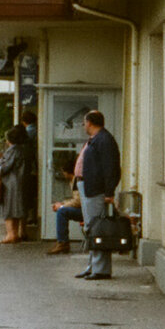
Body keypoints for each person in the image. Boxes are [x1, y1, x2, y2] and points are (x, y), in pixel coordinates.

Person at [77, 109, 122, 280]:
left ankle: (101, 269)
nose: (83, 126)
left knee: (97, 228)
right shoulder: (96, 139)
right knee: (91, 227)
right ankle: (93, 266)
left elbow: (111, 168)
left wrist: (109, 191)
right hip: (89, 187)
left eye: (84, 122)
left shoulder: (104, 140)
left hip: (96, 189)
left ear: (90, 122)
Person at [46, 142, 89, 255]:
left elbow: (78, 201)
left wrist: (62, 205)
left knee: (62, 212)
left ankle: (63, 242)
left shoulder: (76, 181)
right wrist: (63, 203)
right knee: (62, 210)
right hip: (88, 208)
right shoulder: (75, 180)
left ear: (66, 172)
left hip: (86, 210)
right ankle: (62, 241)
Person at [0, 125, 29, 244]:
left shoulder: (12, 151)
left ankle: (11, 234)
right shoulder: (22, 149)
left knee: (9, 208)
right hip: (19, 180)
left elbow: (6, 167)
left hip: (10, 182)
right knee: (16, 208)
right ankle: (15, 233)